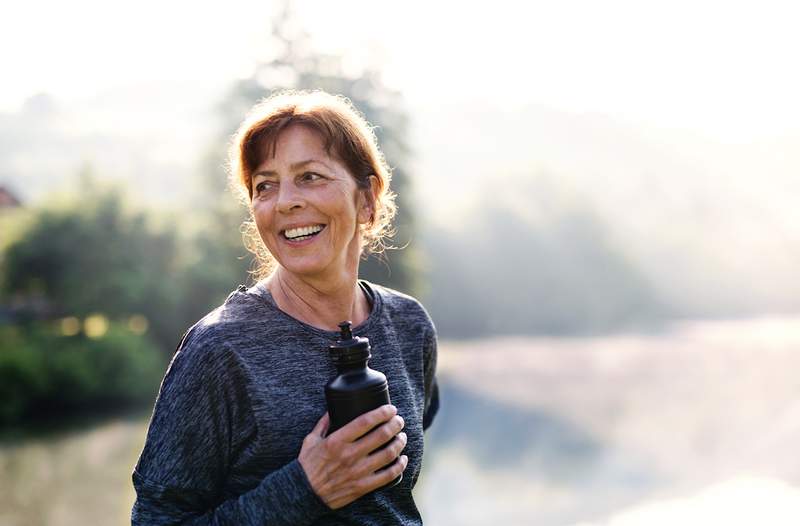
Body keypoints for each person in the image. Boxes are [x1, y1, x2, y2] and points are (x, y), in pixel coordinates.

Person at [131, 90, 439, 525]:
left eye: (310, 176)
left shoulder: (409, 325)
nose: (285, 201)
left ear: (366, 199)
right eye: (265, 185)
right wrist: (306, 489)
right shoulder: (219, 350)